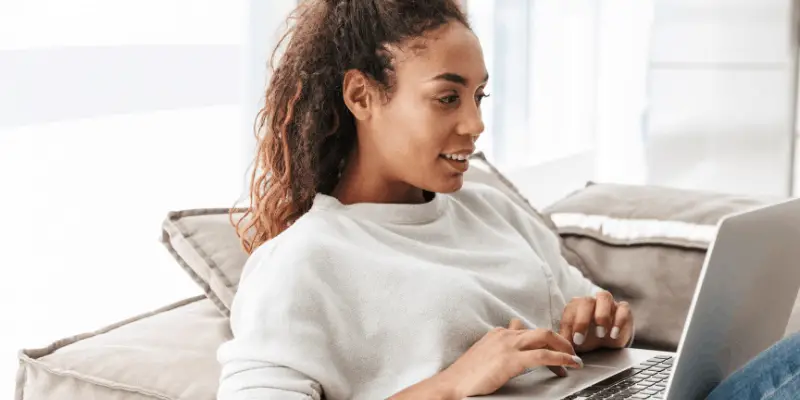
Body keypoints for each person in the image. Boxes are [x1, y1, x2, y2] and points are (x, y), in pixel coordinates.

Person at [216, 1, 800, 399]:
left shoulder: (488, 207)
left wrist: (598, 324)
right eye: (447, 99)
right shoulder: (302, 263)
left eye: (480, 96)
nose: (474, 124)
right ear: (362, 96)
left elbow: (581, 312)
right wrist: (452, 383)